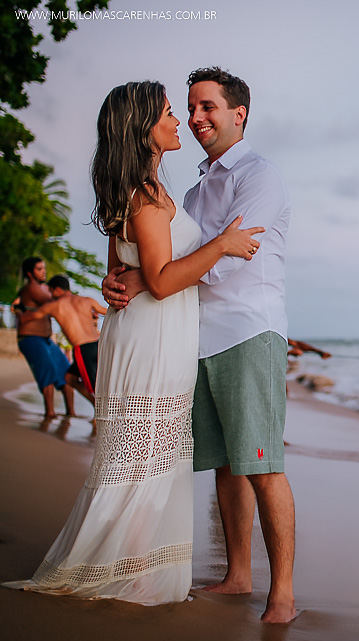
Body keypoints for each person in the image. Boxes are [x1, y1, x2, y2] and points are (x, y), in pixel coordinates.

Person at [3, 81, 263, 605]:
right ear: (144, 129)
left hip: (148, 331)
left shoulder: (142, 189)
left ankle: (136, 566)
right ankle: (134, 574)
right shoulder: (144, 196)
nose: (179, 121)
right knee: (145, 455)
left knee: (146, 454)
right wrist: (222, 245)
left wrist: (118, 281)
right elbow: (162, 282)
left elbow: (118, 272)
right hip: (152, 334)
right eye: (168, 113)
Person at [103, 68, 296, 623]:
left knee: (261, 462)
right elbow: (165, 254)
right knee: (225, 465)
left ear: (239, 113)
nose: (195, 118)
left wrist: (152, 279)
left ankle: (282, 593)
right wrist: (128, 276)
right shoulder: (191, 191)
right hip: (197, 337)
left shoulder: (260, 176)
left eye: (207, 106)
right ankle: (239, 575)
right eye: (189, 108)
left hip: (248, 331)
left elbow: (234, 255)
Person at [17, 274, 107, 405]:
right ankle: (96, 405)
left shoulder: (54, 306)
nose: (50, 295)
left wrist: (19, 310)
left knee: (94, 387)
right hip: (98, 345)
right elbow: (108, 312)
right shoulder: (87, 300)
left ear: (58, 290)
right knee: (70, 377)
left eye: (51, 291)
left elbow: (29, 317)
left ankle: (101, 411)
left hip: (83, 349)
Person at [14, 258, 75, 417]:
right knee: (47, 372)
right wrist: (70, 295)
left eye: (44, 268)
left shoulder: (44, 288)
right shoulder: (31, 288)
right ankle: (50, 412)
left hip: (46, 340)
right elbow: (54, 301)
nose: (44, 272)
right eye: (39, 269)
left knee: (66, 372)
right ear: (30, 273)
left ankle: (71, 413)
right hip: (30, 338)